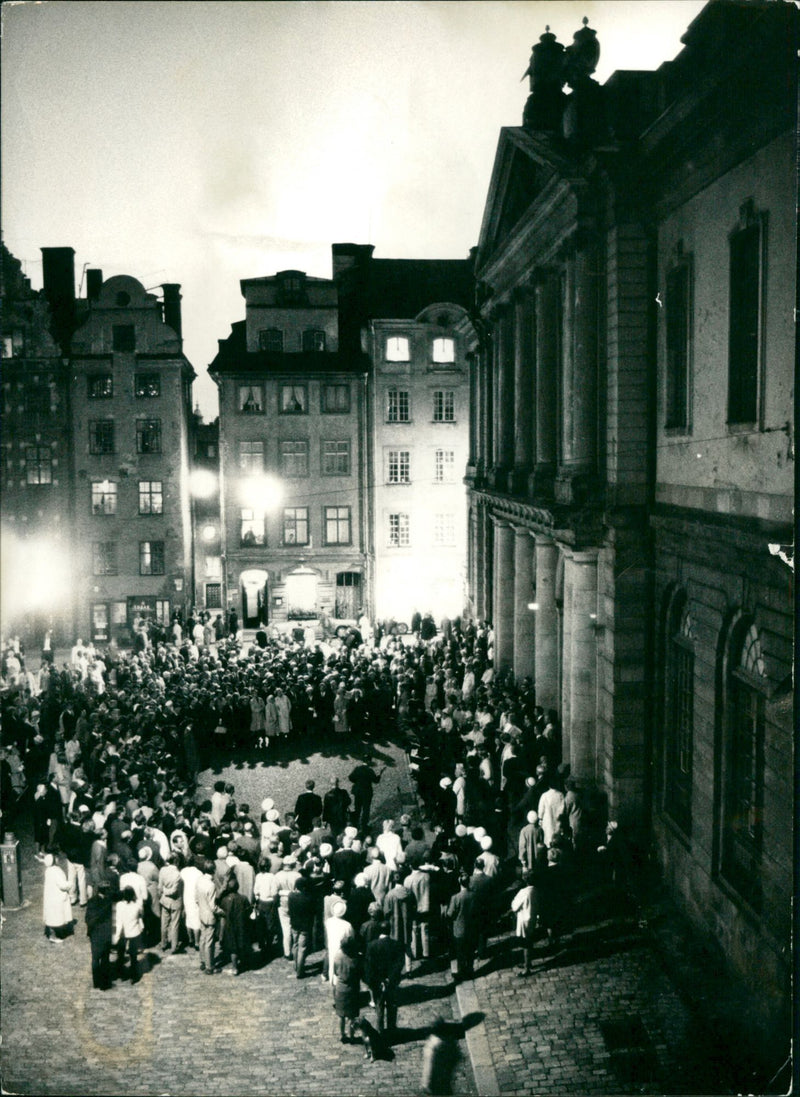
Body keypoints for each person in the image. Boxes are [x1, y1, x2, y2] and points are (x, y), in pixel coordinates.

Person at [363, 922, 406, 1033]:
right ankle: (392, 1031)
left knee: (379, 1008)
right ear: (390, 930)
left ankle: (380, 1033)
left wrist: (378, 981)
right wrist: (389, 979)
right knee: (392, 1006)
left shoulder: (372, 946)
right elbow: (399, 964)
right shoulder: (396, 945)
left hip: (377, 983)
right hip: (392, 982)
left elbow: (369, 967)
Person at [446, 873, 476, 982]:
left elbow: (450, 914)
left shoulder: (456, 898)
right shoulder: (474, 895)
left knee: (460, 953)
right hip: (471, 928)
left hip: (459, 929)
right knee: (470, 951)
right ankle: (470, 970)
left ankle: (461, 972)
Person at [333, 934, 362, 1043]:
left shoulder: (337, 957)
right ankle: (352, 1036)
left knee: (341, 1015)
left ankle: (342, 1034)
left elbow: (335, 972)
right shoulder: (356, 958)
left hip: (340, 989)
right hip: (353, 989)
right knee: (352, 1016)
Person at [85, 883, 115, 990]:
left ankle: (96, 982)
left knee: (95, 958)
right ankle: (104, 983)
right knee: (105, 959)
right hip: (105, 934)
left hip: (95, 934)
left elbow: (87, 919)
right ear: (106, 891)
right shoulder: (108, 902)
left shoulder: (91, 901)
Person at [510, 871, 539, 976]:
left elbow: (514, 907)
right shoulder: (536, 890)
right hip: (532, 918)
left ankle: (526, 968)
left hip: (523, 920)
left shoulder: (523, 892)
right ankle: (528, 962)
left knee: (525, 944)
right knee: (529, 942)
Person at [349, 755, 385, 833]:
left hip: (357, 792)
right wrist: (380, 773)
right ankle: (364, 825)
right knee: (366, 809)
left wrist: (357, 782)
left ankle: (355, 824)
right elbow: (376, 780)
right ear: (368, 761)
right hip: (366, 793)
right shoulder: (369, 770)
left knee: (357, 808)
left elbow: (350, 777)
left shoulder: (357, 769)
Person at [43, 852, 73, 942]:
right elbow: (62, 885)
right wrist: (70, 883)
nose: (58, 859)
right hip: (57, 898)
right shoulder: (56, 871)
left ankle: (52, 933)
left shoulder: (48, 870)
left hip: (51, 898)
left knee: (51, 916)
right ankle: (53, 936)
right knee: (56, 917)